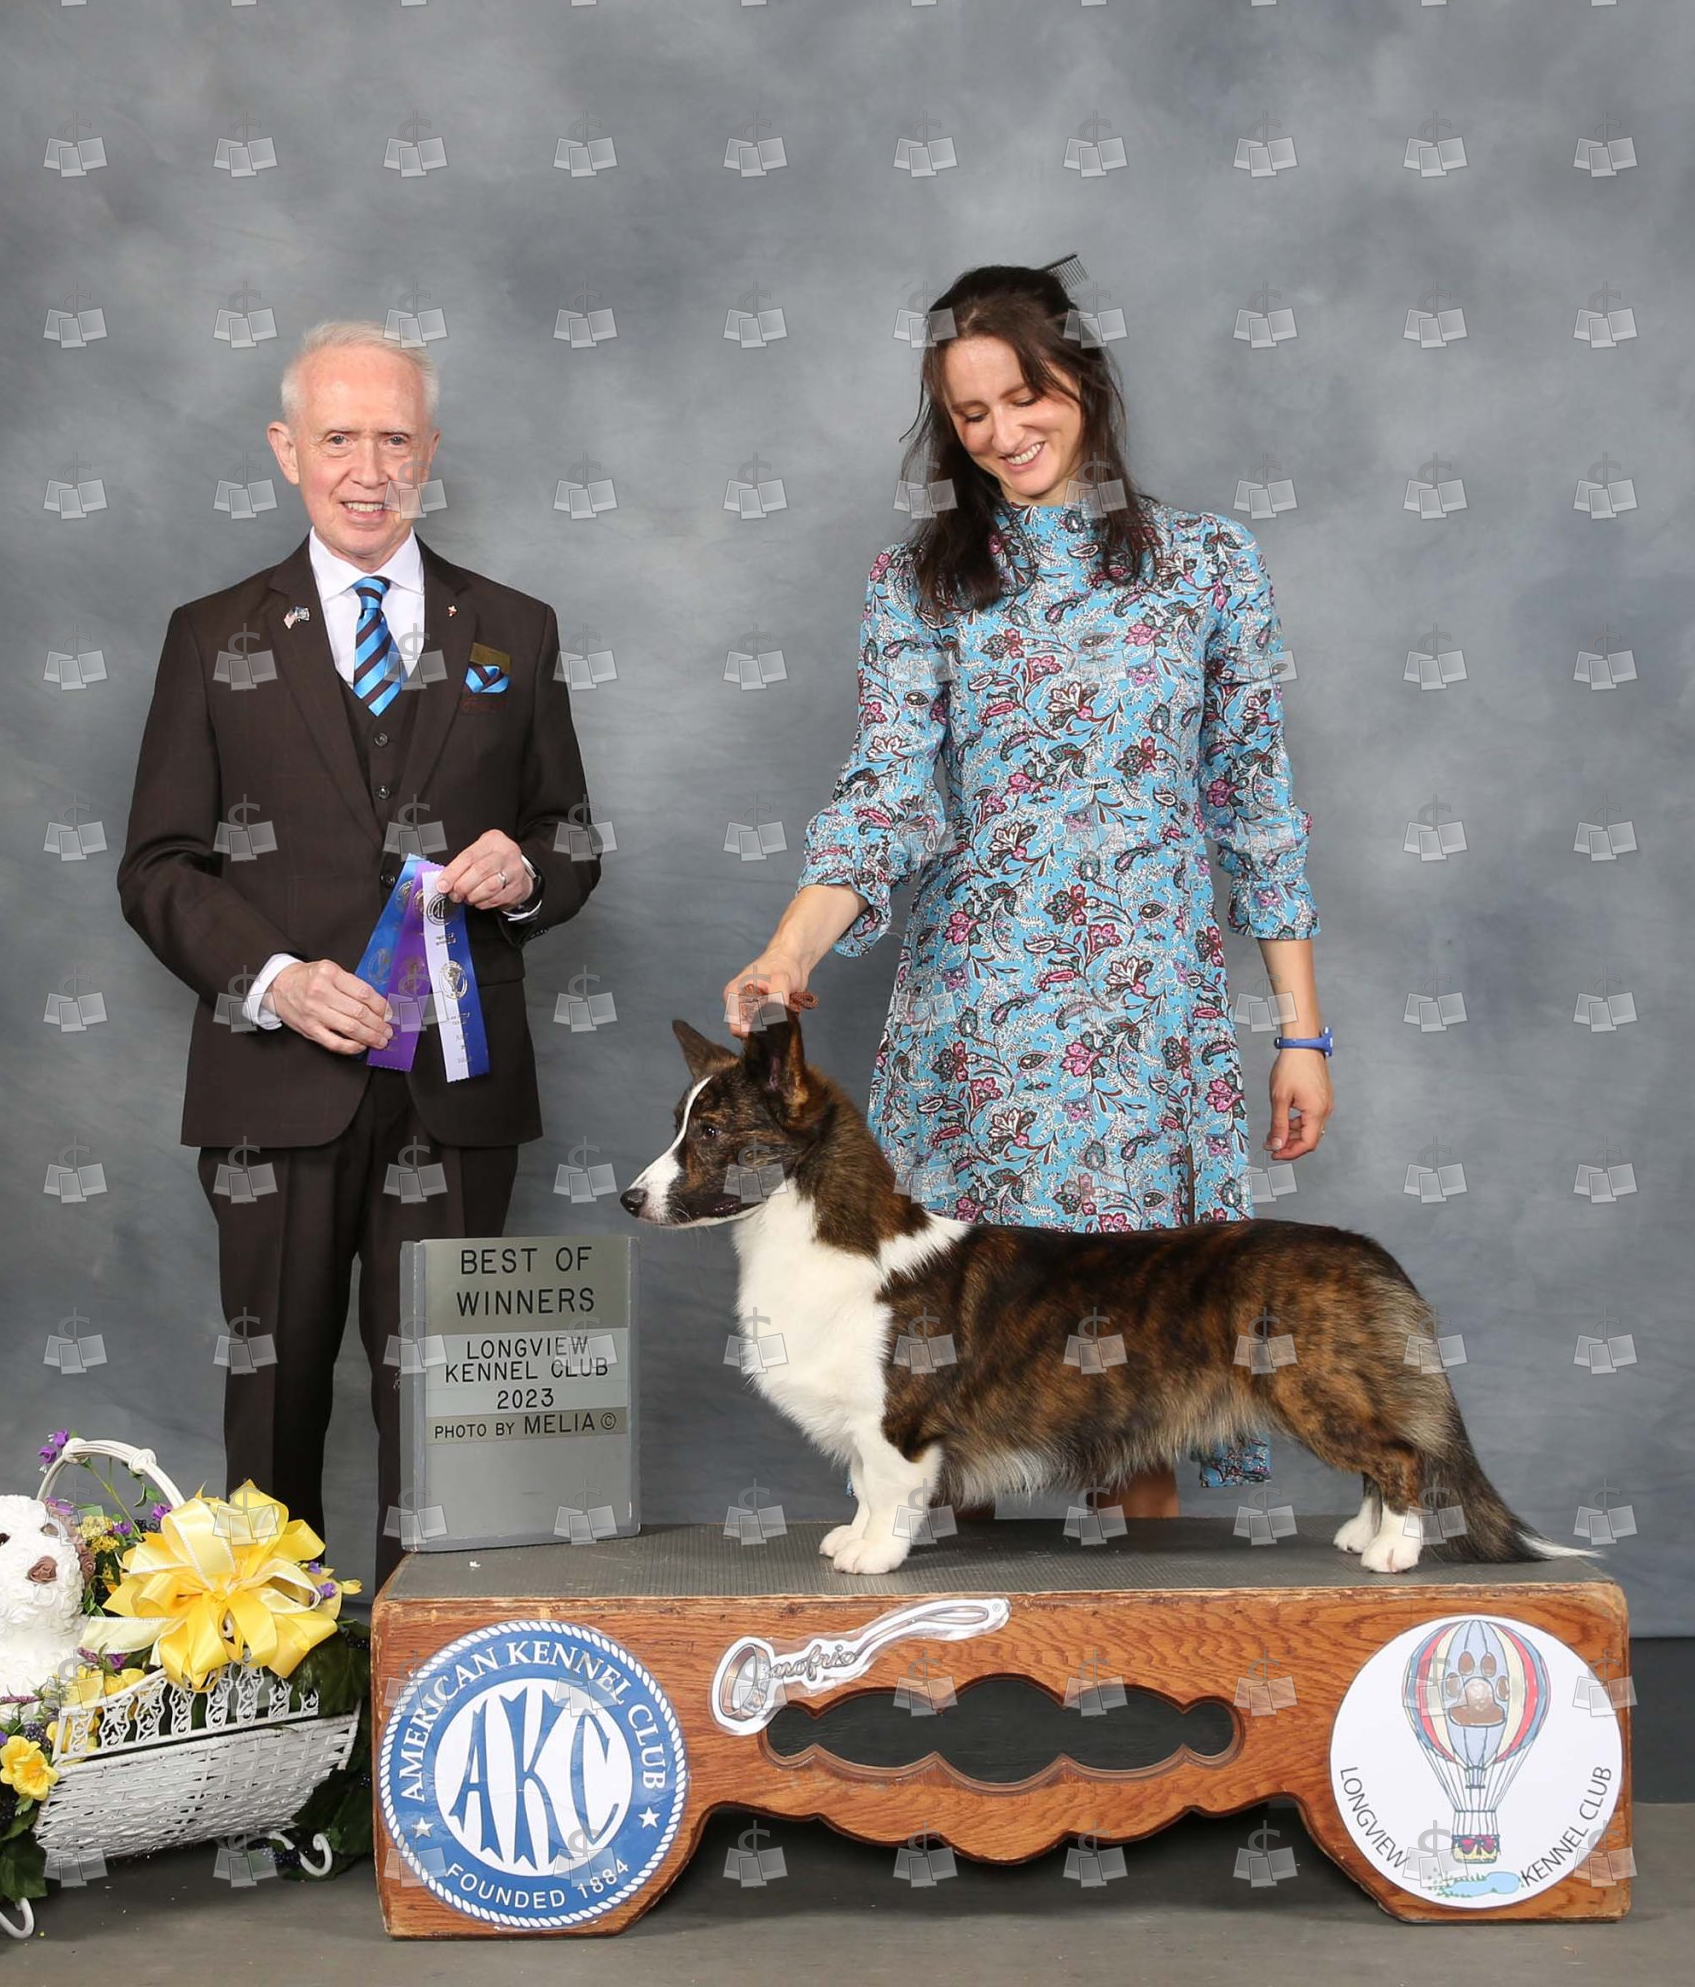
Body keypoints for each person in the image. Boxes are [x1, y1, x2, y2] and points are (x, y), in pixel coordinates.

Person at [724, 258, 1332, 1517]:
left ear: (1083, 380)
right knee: (954, 1361)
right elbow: (888, 791)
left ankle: (1144, 1611)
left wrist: (1300, 1031)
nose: (1004, 434)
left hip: (1148, 1029)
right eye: (970, 414)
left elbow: (1255, 804)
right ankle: (960, 1621)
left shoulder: (1208, 564)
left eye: (1025, 395)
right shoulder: (921, 583)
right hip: (979, 1032)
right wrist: (789, 950)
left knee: (1142, 1361)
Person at [118, 321, 599, 1588]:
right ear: (288, 450)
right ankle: (274, 1686)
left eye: (395, 439)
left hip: (458, 1084)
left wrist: (528, 871)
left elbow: (569, 834)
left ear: (430, 452)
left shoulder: (517, 627)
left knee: (454, 1417)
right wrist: (275, 980)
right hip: (274, 1088)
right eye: (340, 438)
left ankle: (424, 1677)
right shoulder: (210, 635)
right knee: (272, 1401)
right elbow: (158, 866)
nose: (368, 469)